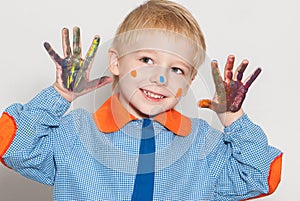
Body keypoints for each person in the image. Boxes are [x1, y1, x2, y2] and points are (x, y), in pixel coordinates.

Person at [0, 0, 282, 200]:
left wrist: (234, 119)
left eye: (177, 69)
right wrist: (60, 95)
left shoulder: (201, 146)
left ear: (190, 82)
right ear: (116, 63)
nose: (161, 78)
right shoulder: (76, 133)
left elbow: (260, 176)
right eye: (146, 59)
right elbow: (14, 146)